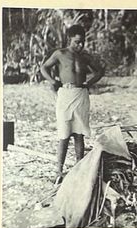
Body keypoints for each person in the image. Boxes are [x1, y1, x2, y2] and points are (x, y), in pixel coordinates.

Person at [41, 25, 104, 184]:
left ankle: (79, 168)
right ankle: (59, 171)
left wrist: (88, 83)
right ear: (70, 39)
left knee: (79, 133)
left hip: (80, 94)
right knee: (64, 134)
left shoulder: (85, 56)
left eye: (82, 42)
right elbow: (44, 67)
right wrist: (52, 81)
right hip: (65, 94)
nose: (80, 45)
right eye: (77, 42)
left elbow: (99, 71)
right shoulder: (60, 54)